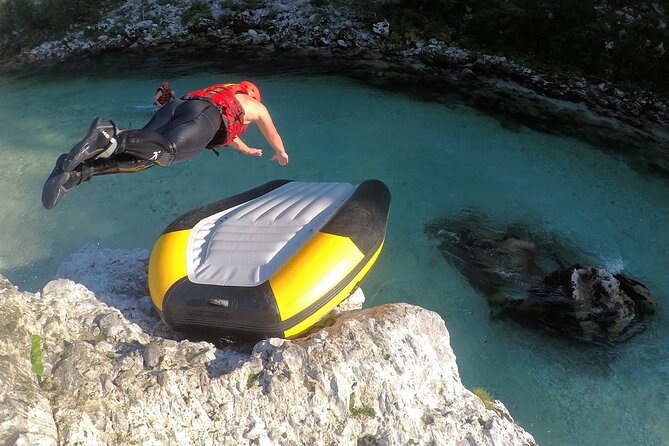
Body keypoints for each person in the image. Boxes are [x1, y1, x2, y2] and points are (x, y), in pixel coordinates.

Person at [42, 81, 289, 209]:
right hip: (205, 116)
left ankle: (75, 171)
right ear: (252, 96)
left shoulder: (223, 96)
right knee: (168, 152)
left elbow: (230, 132)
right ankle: (108, 134)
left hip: (180, 107)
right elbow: (274, 135)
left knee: (142, 158)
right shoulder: (256, 107)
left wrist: (245, 149)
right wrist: (280, 153)